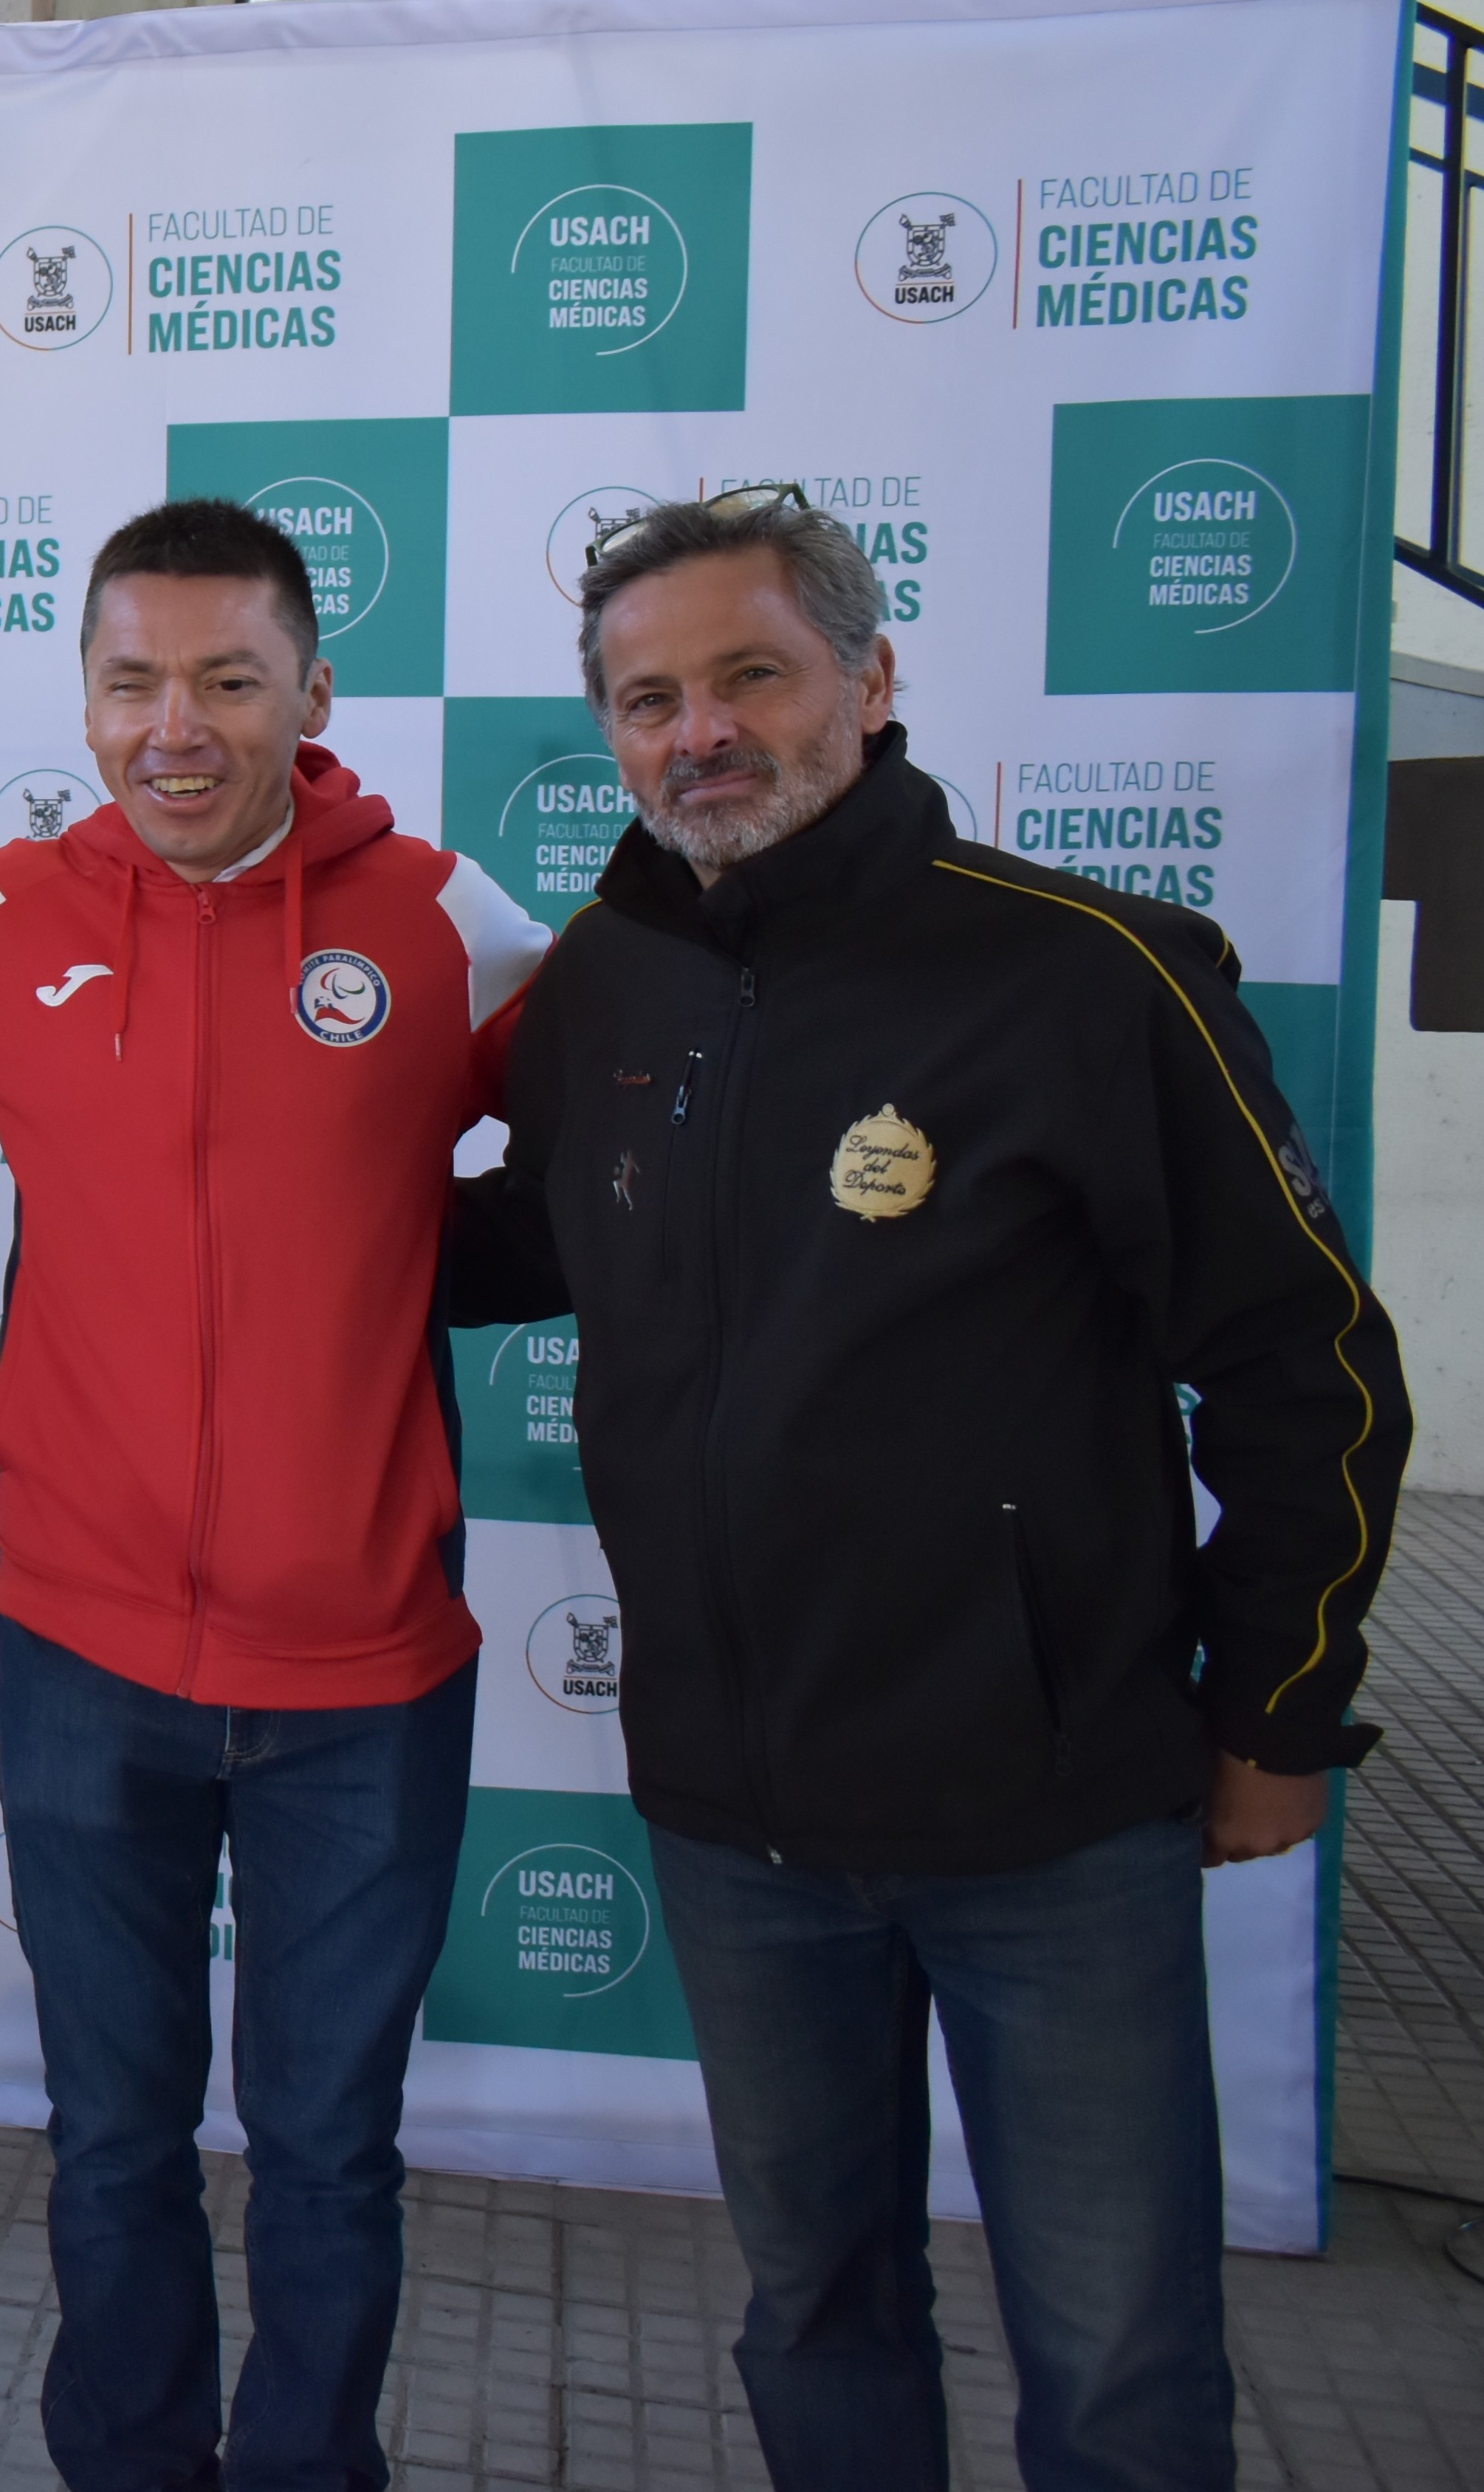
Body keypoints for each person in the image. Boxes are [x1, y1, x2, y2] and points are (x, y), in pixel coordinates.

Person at [446, 488, 1410, 2491]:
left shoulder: (1090, 975)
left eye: (747, 677)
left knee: (1121, 2354)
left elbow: (1303, 1364)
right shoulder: (610, 987)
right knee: (814, 2309)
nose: (696, 731)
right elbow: (539, 1241)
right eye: (647, 699)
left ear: (869, 685)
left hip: (1047, 1816)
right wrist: (200, 1205)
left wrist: (1281, 1710)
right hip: (734, 1819)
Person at [0, 501, 547, 2491]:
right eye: (134, 681)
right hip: (83, 1655)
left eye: (227, 678)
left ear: (313, 695)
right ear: (89, 698)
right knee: (112, 2141)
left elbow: (663, 1117)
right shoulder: (7, 920)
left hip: (366, 1668)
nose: (176, 725)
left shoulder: (443, 924)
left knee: (324, 2152)